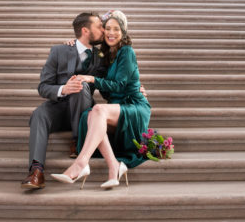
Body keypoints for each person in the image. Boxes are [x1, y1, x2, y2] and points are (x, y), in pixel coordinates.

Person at [51, 10, 151, 189]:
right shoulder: (107, 56)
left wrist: (92, 79)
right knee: (88, 116)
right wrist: (72, 45)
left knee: (97, 111)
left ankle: (81, 163)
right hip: (118, 108)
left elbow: (119, 85)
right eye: (108, 29)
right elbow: (106, 89)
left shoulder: (126, 52)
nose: (111, 33)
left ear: (123, 32)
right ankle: (114, 166)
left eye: (116, 29)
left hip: (134, 106)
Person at [20, 12, 107, 190]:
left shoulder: (103, 57)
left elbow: (109, 87)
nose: (103, 30)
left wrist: (134, 91)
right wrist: (63, 89)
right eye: (99, 26)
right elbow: (43, 87)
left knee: (80, 83)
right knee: (39, 114)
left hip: (84, 113)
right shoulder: (59, 51)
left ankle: (78, 139)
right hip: (59, 108)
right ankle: (36, 171)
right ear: (85, 30)